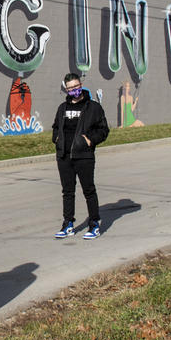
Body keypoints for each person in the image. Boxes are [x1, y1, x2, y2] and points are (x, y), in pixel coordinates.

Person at [52, 73, 109, 240]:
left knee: (89, 190)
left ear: (81, 85)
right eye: (70, 88)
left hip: (84, 155)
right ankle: (68, 223)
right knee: (67, 191)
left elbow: (103, 130)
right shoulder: (62, 108)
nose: (74, 90)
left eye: (76, 87)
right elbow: (56, 127)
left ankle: (94, 224)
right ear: (66, 89)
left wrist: (90, 140)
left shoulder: (93, 107)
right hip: (64, 156)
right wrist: (56, 139)